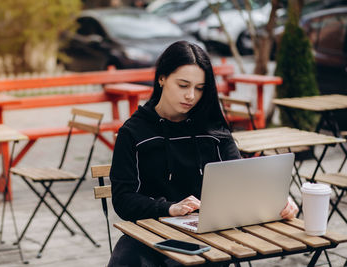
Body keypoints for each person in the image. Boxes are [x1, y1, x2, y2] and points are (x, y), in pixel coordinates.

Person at [108, 41, 298, 266]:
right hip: (150, 232)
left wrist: (275, 200)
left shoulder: (214, 129)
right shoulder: (134, 132)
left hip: (210, 235)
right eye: (183, 85)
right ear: (162, 78)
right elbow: (123, 200)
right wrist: (169, 207)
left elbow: (240, 180)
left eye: (199, 88)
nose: (191, 96)